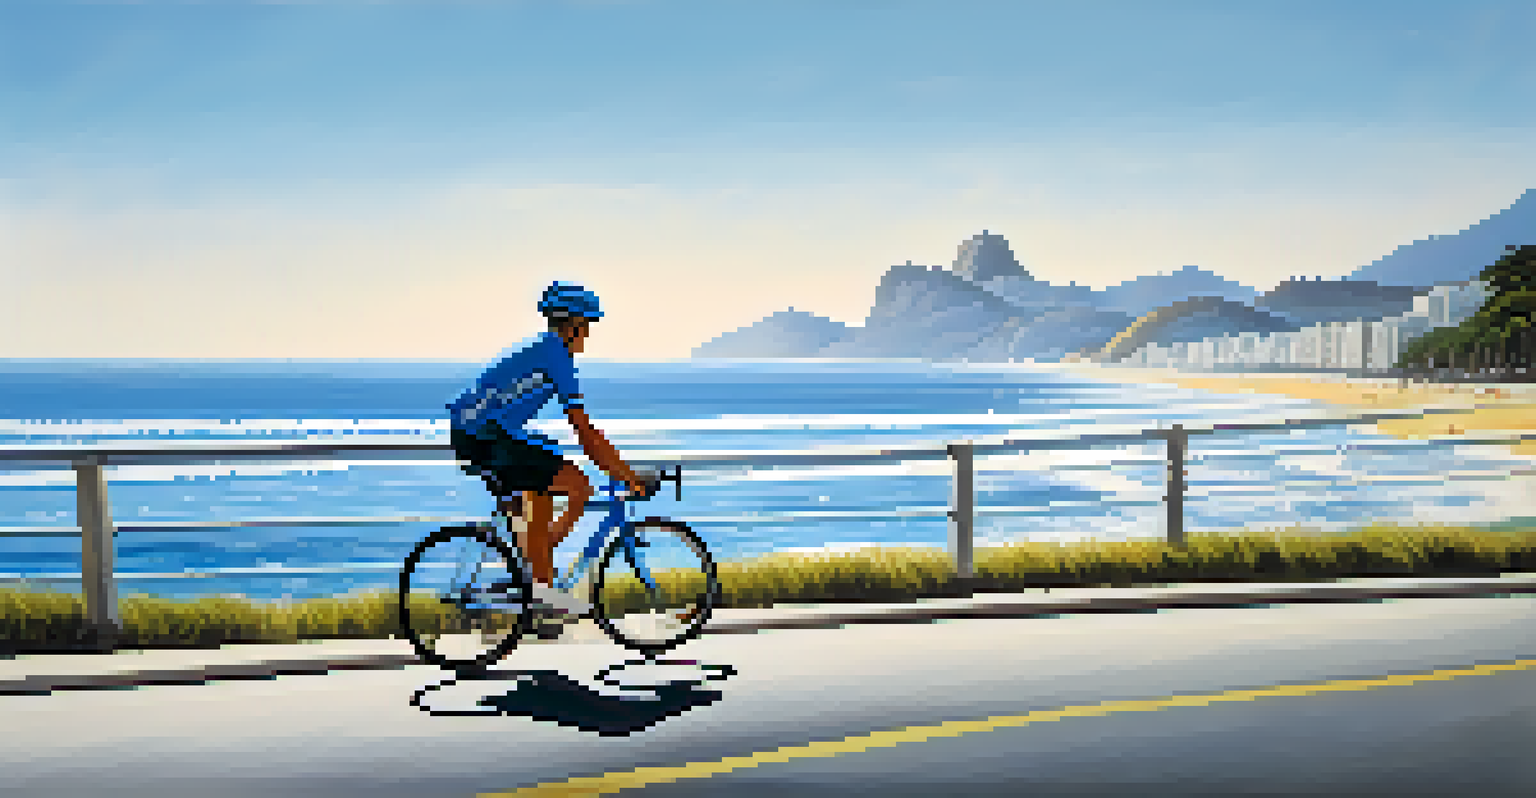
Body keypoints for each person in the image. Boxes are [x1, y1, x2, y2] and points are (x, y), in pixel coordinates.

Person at [447, 281, 650, 616]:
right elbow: (585, 431)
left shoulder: (546, 350)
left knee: (539, 499)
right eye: (586, 326)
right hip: (486, 434)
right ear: (572, 324)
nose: (587, 335)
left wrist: (618, 469)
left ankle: (532, 574)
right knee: (576, 485)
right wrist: (627, 475)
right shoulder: (557, 355)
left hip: (479, 433)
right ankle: (540, 585)